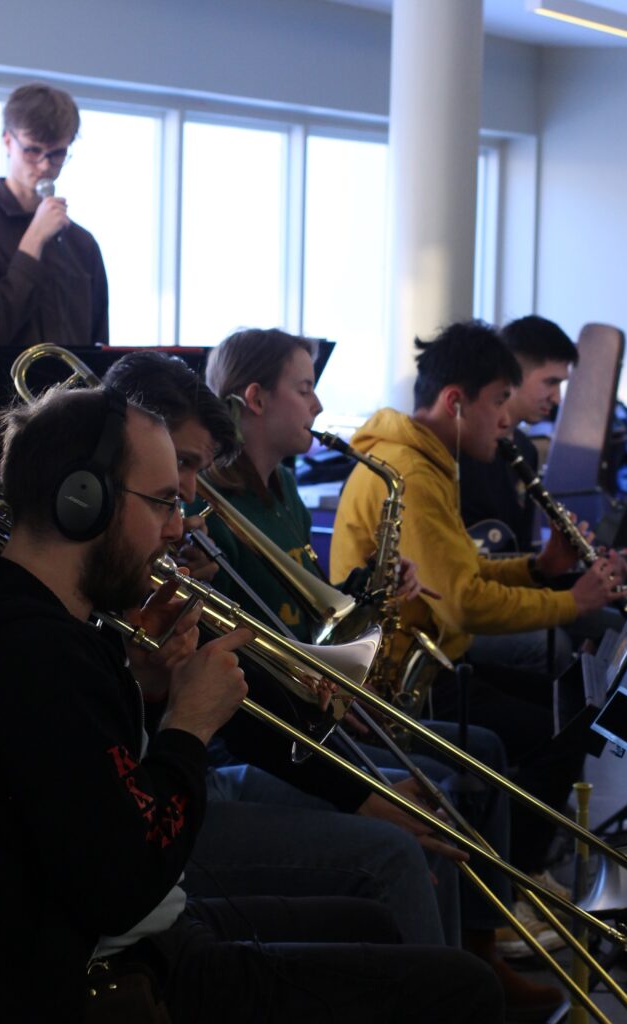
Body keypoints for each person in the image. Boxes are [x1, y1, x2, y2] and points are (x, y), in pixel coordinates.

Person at [0, 384, 503, 1023]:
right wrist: (189, 725)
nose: (179, 527)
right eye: (163, 502)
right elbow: (128, 880)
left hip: (114, 943)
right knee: (464, 988)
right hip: (112, 983)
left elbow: (89, 795)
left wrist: (147, 688)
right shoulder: (36, 662)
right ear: (84, 501)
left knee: (372, 923)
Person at [197, 329, 565, 1009]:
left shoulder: (284, 492)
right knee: (435, 800)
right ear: (255, 399)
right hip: (266, 733)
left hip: (318, 702)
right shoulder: (214, 515)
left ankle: (474, 959)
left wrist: (370, 593)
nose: (318, 404)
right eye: (305, 388)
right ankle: (451, 986)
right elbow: (261, 666)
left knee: (470, 765)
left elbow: (310, 622)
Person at [102, 349, 456, 951]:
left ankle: (469, 962)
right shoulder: (109, 570)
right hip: (179, 792)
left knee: (433, 799)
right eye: (179, 468)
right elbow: (224, 712)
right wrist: (358, 796)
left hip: (208, 766)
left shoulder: (275, 494)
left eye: (193, 470)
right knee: (395, 849)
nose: (186, 504)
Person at [330, 320, 626, 893]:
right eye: (497, 401)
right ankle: (521, 881)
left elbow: (459, 573)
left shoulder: (425, 459)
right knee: (560, 729)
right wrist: (571, 602)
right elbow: (463, 605)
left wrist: (540, 569)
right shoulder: (412, 472)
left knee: (567, 710)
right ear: (455, 402)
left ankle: (516, 867)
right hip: (405, 684)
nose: (506, 418)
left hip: (433, 664)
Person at [0, 83, 108, 404]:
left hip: (73, 418)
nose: (44, 165)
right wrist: (34, 239)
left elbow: (98, 349)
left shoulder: (82, 243)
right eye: (32, 151)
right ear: (8, 141)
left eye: (57, 153)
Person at [460, 316, 579, 554]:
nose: (557, 399)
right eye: (550, 382)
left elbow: (518, 551)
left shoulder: (526, 450)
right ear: (513, 372)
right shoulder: (463, 445)